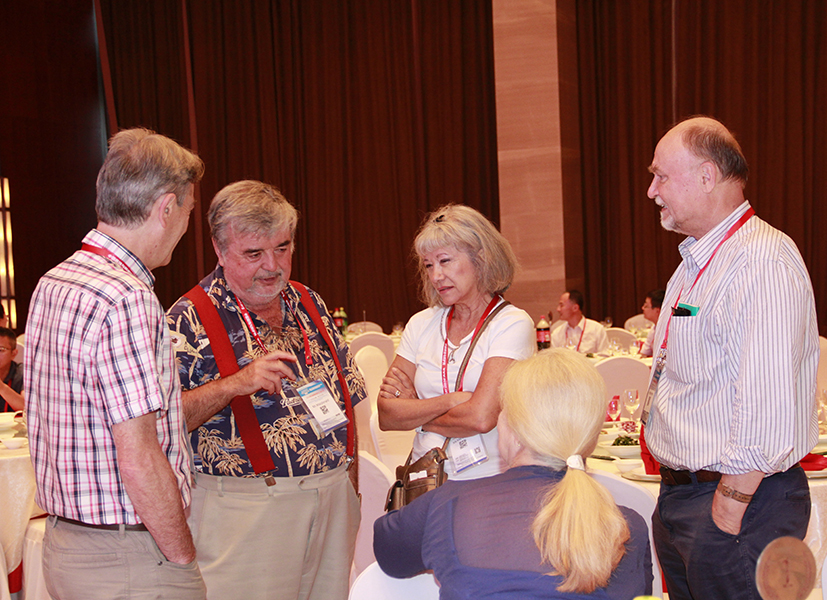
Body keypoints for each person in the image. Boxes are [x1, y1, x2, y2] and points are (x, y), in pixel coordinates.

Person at [24, 128, 205, 599]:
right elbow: (139, 455)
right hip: (127, 555)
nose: (186, 227)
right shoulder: (126, 297)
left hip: (66, 544)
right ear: (166, 208)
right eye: (189, 212)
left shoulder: (54, 280)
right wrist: (182, 560)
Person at [644, 116, 818, 600]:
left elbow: (767, 408)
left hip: (739, 505)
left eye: (661, 176)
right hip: (687, 499)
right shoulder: (697, 262)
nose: (652, 191)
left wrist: (727, 509)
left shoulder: (761, 262)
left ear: (707, 176)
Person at [167, 180, 366, 600]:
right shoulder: (187, 318)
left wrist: (351, 488)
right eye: (254, 253)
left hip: (333, 501)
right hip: (247, 512)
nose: (272, 266)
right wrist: (234, 385)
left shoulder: (309, 302)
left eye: (282, 247)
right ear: (220, 250)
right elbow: (162, 419)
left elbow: (345, 399)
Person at [374, 348, 653, 599]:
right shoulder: (627, 530)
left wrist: (444, 554)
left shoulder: (448, 506)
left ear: (514, 431)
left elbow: (389, 553)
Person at [378, 204, 534, 481]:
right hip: (423, 481)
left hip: (485, 482)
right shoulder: (421, 324)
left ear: (481, 258)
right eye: (428, 265)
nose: (435, 276)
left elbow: (480, 418)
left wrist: (416, 411)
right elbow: (387, 416)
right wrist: (453, 400)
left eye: (445, 261)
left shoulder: (511, 323)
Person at [551, 289, 610, 354]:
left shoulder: (597, 329)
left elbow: (605, 355)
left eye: (561, 305)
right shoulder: (557, 333)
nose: (558, 309)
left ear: (575, 308)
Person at [638, 289, 665, 357]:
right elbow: (644, 353)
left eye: (646, 306)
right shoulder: (654, 328)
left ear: (657, 310)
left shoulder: (668, 330)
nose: (642, 308)